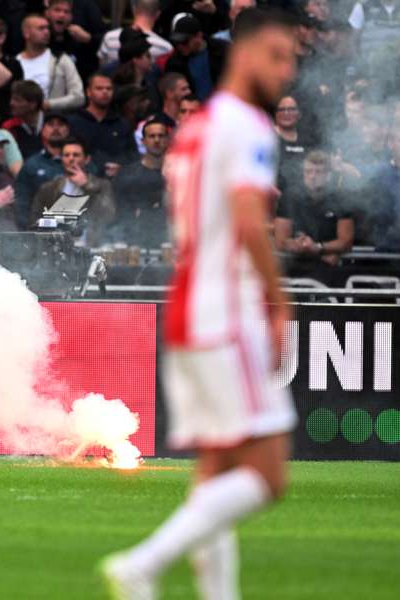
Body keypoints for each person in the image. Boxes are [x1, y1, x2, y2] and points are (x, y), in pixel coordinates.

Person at [100, 10, 299, 599]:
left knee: (217, 473)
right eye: (279, 56)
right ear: (245, 51)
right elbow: (247, 219)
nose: (286, 72)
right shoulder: (247, 126)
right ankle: (142, 563)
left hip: (188, 308)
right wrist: (277, 301)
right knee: (268, 474)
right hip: (227, 311)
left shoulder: (197, 127)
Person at [274, 150, 354, 266]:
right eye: (308, 171)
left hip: (329, 267)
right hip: (297, 264)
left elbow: (346, 242)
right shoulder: (289, 197)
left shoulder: (341, 199)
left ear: (328, 175)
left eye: (318, 172)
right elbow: (280, 241)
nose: (312, 176)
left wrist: (318, 247)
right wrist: (301, 246)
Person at [31, 137, 114, 244]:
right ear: (61, 159)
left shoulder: (103, 185)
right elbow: (34, 222)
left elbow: (108, 216)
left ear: (87, 159)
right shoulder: (48, 189)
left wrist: (86, 185)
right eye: (66, 155)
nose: (71, 159)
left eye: (76, 155)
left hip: (91, 247)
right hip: (57, 249)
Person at [113, 117, 169, 247]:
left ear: (167, 140)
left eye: (161, 136)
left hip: (170, 242)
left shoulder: (178, 175)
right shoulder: (127, 175)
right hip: (136, 243)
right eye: (152, 136)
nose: (156, 140)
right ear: (143, 141)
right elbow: (122, 215)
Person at [13, 112, 71, 228]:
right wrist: (30, 232)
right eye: (51, 124)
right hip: (41, 232)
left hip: (75, 230)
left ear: (68, 130)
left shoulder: (79, 162)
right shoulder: (31, 165)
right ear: (43, 131)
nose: (55, 128)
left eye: (60, 125)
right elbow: (22, 203)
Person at [16, 14, 84, 112]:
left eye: (48, 28)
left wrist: (49, 104)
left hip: (53, 121)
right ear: (26, 33)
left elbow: (78, 97)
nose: (47, 32)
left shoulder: (61, 59)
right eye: (41, 29)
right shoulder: (15, 62)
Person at [66, 73, 135, 168]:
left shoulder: (122, 124)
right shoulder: (73, 122)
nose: (105, 92)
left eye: (109, 88)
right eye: (99, 88)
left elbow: (132, 155)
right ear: (88, 92)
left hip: (118, 178)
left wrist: (121, 168)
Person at [99, 0, 172, 66]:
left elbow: (102, 69)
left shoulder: (109, 37)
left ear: (134, 10)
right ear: (158, 14)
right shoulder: (165, 47)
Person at [3, 80, 46, 160]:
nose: (11, 103)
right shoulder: (9, 127)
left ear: (32, 104)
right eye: (12, 99)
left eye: (17, 100)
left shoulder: (52, 123)